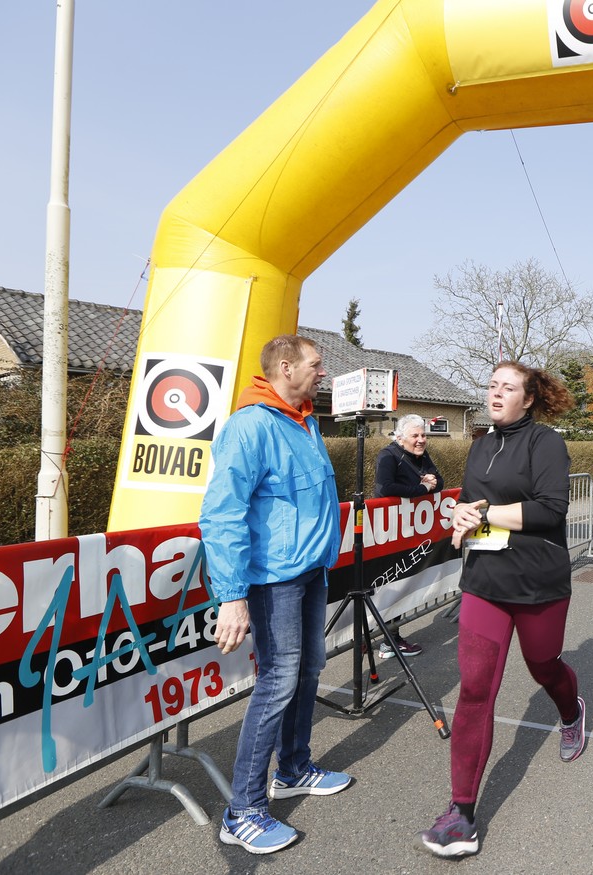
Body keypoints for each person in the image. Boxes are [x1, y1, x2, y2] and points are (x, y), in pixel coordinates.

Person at [416, 361, 585, 859]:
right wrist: (460, 517)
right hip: (485, 583)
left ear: (527, 399)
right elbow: (470, 504)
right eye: (492, 385)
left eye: (507, 388)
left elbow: (551, 509)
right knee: (475, 690)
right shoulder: (480, 445)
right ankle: (461, 813)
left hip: (537, 582)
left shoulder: (545, 443)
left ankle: (571, 710)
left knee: (543, 666)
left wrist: (486, 512)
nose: (495, 393)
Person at [199, 334, 351, 856]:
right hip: (274, 580)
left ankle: (293, 769)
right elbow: (222, 513)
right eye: (316, 364)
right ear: (286, 367)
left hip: (309, 573)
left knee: (308, 668)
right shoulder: (250, 426)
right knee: (278, 681)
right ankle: (242, 811)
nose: (323, 372)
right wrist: (232, 595)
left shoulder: (305, 420)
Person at [371, 413, 445, 659]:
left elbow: (440, 482)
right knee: (390, 586)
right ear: (400, 437)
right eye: (415, 435)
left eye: (423, 435)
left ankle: (377, 637)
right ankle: (389, 642)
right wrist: (422, 488)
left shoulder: (421, 455)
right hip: (388, 531)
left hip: (410, 530)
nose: (421, 440)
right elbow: (385, 488)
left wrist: (431, 482)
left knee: (399, 585)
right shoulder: (388, 455)